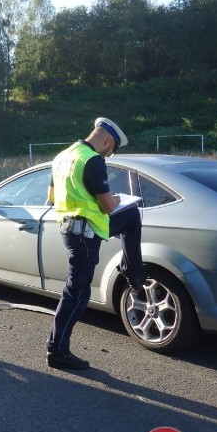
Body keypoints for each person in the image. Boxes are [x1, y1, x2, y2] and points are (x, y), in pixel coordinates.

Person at [45, 117, 145, 370]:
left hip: (71, 229)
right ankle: (57, 351)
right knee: (77, 293)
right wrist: (114, 200)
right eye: (112, 151)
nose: (109, 155)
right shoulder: (92, 160)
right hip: (85, 233)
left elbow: (52, 198)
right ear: (108, 141)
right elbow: (107, 206)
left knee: (131, 217)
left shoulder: (63, 156)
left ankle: (131, 268)